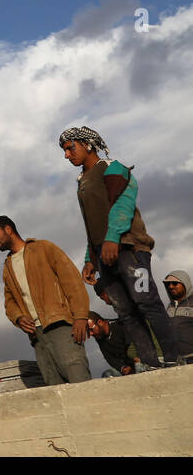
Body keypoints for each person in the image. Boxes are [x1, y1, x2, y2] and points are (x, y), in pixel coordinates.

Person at [59, 126, 182, 369]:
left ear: (87, 145)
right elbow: (91, 223)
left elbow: (123, 206)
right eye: (64, 151)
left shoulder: (113, 169)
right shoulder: (82, 181)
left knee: (146, 301)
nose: (67, 155)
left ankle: (172, 356)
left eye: (70, 148)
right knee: (125, 311)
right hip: (104, 255)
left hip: (129, 249)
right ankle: (150, 363)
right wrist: (89, 259)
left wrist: (113, 238)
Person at [0, 215, 91, 384]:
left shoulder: (43, 248)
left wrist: (81, 316)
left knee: (77, 375)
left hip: (61, 324)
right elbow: (9, 302)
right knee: (54, 385)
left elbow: (72, 281)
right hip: (37, 335)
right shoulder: (7, 267)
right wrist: (18, 317)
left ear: (8, 229)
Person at [163, 270, 193, 360]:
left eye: (175, 283)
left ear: (185, 284)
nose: (171, 286)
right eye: (168, 284)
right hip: (174, 360)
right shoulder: (169, 306)